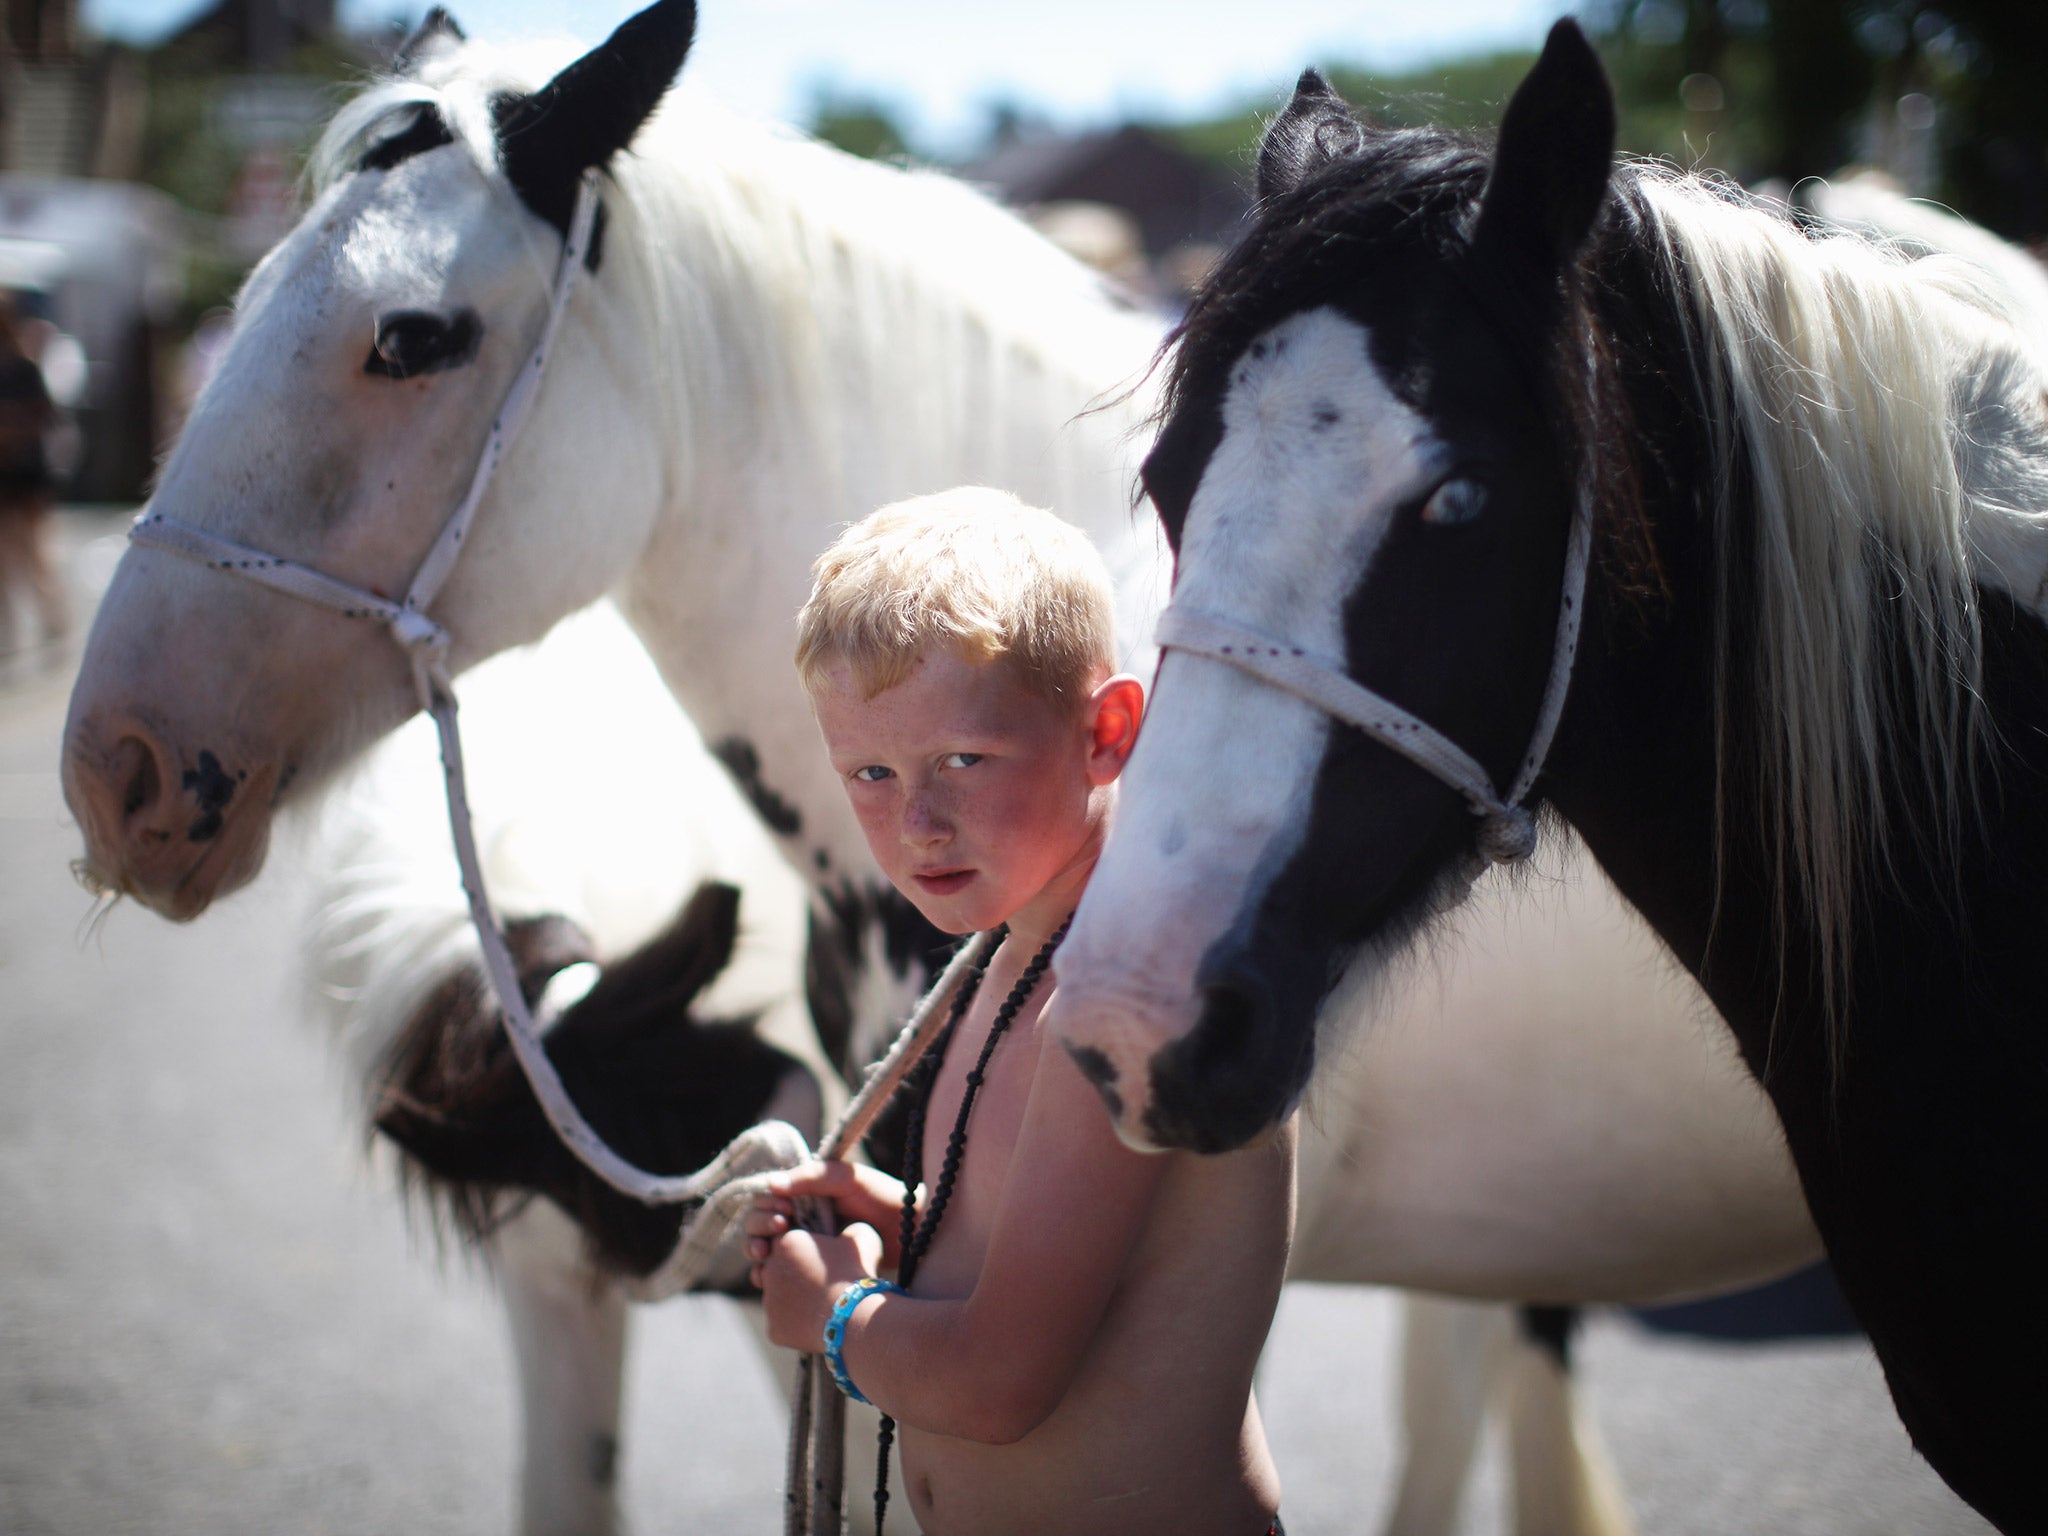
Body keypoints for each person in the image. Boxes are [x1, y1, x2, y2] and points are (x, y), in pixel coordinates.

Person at [745, 487, 1294, 1536]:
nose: (917, 823)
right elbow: (1078, 1262)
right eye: (870, 772)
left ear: (1106, 731)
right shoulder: (1020, 947)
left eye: (962, 760)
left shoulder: (1121, 1003)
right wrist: (909, 1223)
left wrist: (837, 1314)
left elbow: (999, 1383)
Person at [0, 295, 70, 660]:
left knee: (35, 554)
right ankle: (9, 637)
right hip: (8, 477)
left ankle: (54, 627)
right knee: (8, 561)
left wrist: (11, 428)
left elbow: (44, 415)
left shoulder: (24, 369)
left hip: (24, 475)